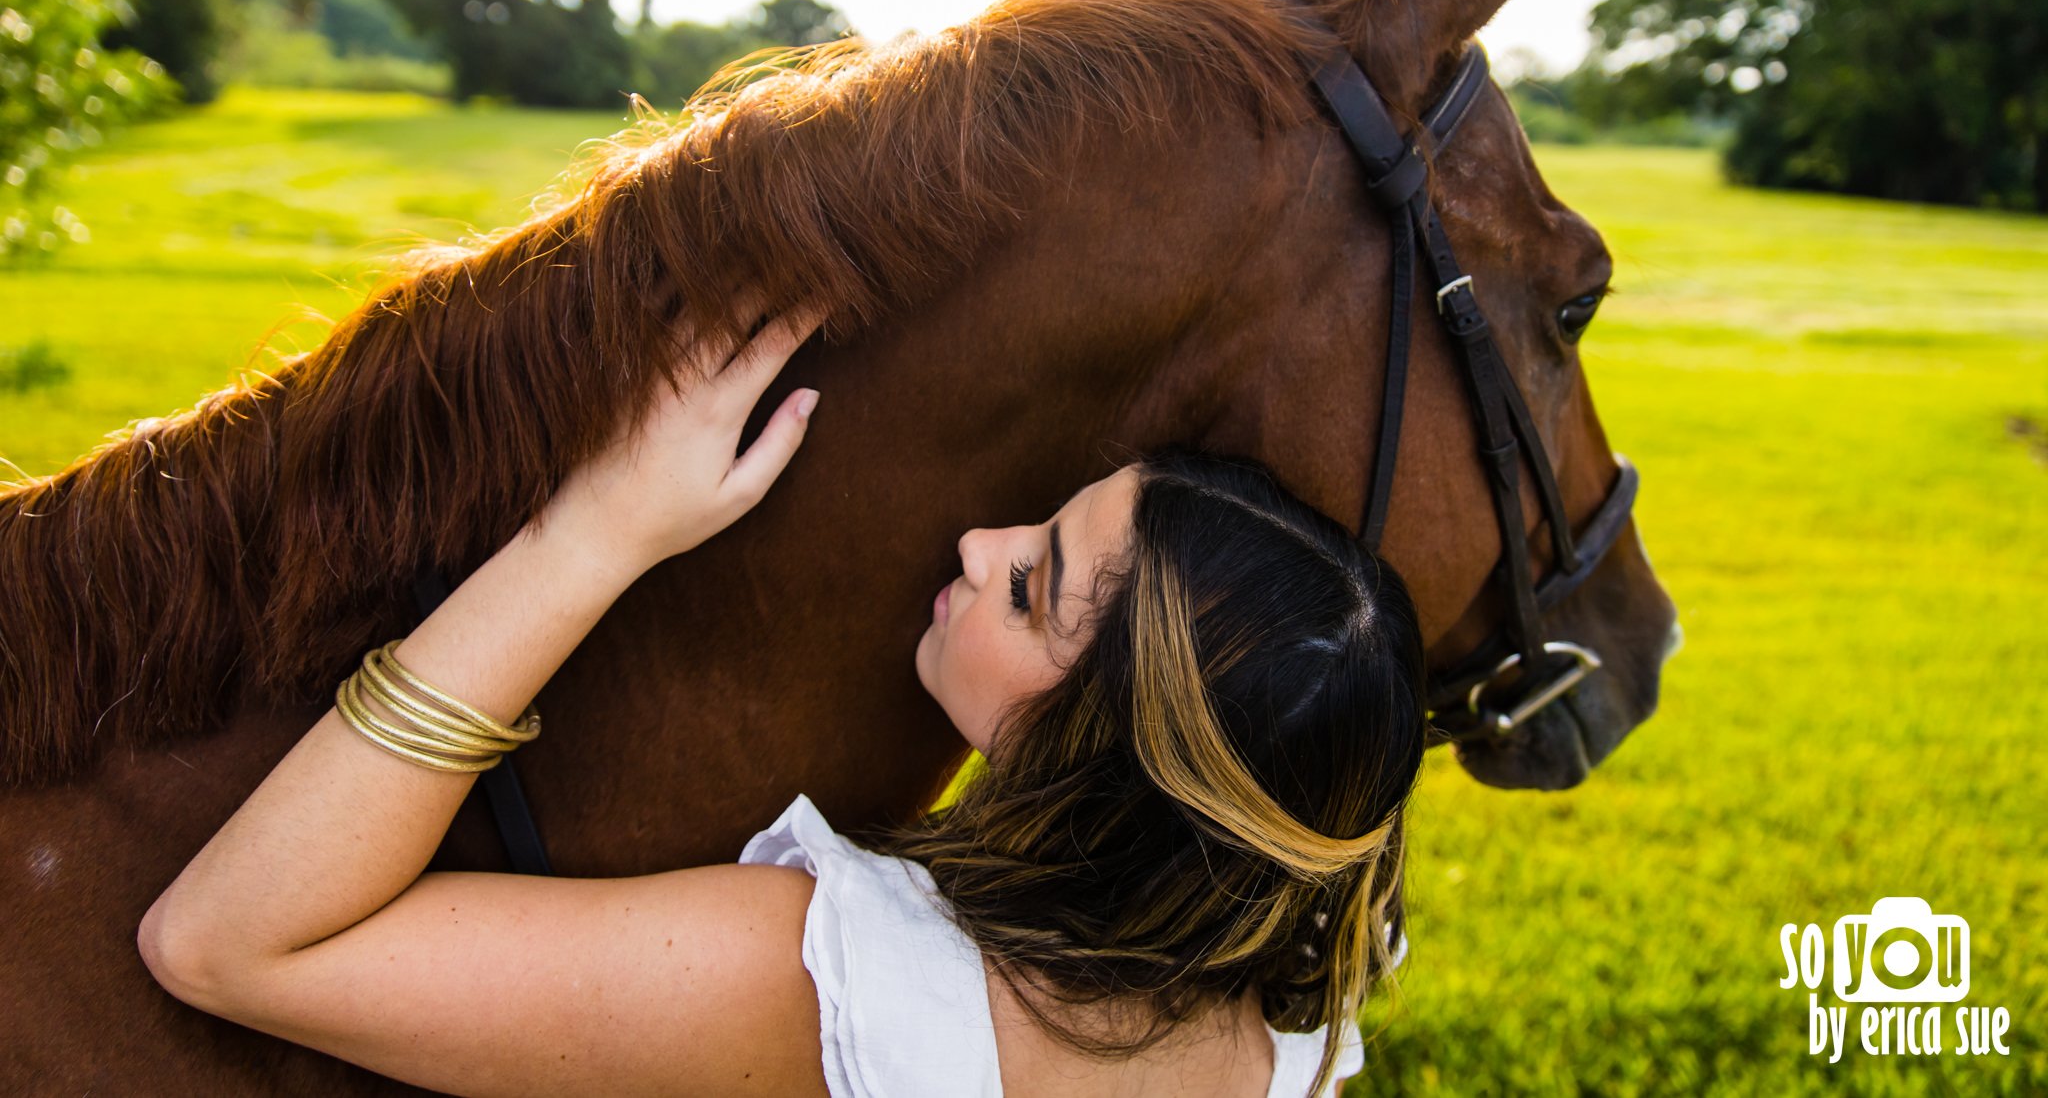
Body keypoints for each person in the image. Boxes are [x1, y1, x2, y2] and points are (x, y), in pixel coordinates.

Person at [138, 307, 1427, 1098]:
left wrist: (594, 534)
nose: (980, 545)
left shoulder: (836, 987)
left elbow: (234, 945)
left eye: (1030, 585)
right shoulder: (1281, 1048)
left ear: (1106, 755)